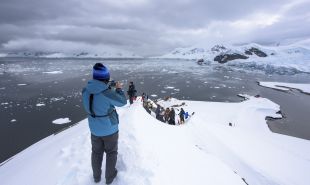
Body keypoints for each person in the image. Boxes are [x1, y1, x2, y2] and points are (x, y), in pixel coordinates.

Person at [82, 63, 127, 184]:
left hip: (94, 128)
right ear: (106, 78)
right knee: (111, 152)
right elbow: (122, 102)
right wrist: (118, 89)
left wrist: (107, 87)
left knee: (96, 153)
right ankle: (109, 177)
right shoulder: (107, 92)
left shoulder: (85, 90)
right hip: (109, 129)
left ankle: (96, 177)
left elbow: (96, 101)